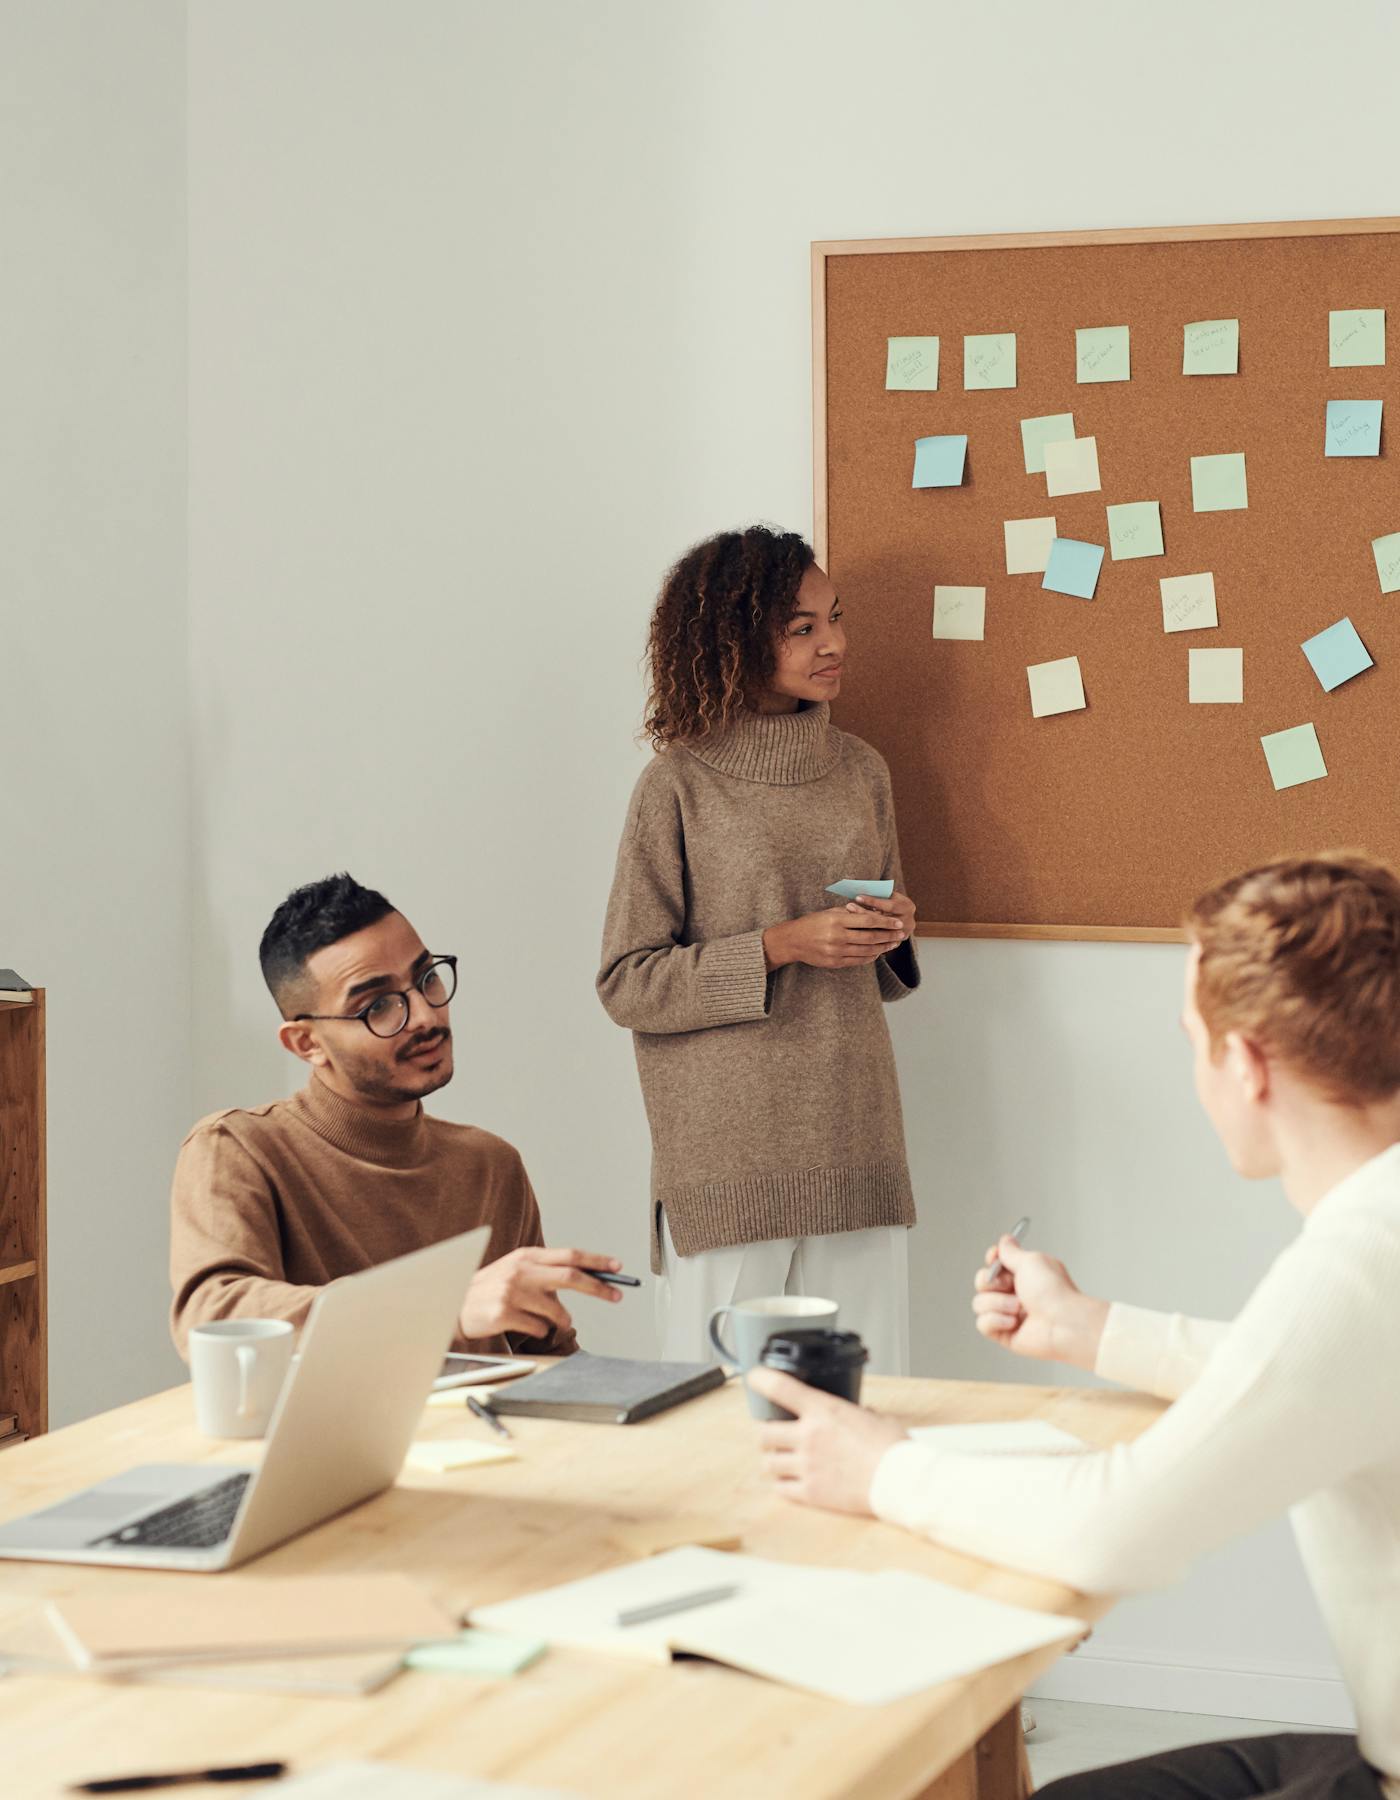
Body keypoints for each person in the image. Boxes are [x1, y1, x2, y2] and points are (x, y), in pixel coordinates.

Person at [750, 853, 1400, 1799]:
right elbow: (1320, 1380)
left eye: (1193, 1039)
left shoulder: (1365, 1261)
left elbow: (1114, 1529)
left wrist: (882, 1468)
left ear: (1246, 1064)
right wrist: (1091, 1331)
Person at [597, 525, 921, 1373]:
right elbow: (629, 983)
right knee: (717, 1416)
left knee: (869, 1403)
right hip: (727, 1163)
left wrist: (889, 932)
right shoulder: (678, 783)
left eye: (835, 618)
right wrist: (781, 944)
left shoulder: (862, 771)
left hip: (855, 1136)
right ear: (732, 638)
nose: (835, 643)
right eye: (801, 626)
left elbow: (877, 972)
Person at [170, 872, 623, 1357]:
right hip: (334, 1436)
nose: (427, 1016)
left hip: (485, 1433)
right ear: (307, 1043)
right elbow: (213, 1316)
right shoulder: (236, 1148)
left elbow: (548, 1362)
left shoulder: (491, 1164)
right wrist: (440, 1308)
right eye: (379, 1006)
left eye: (427, 979)